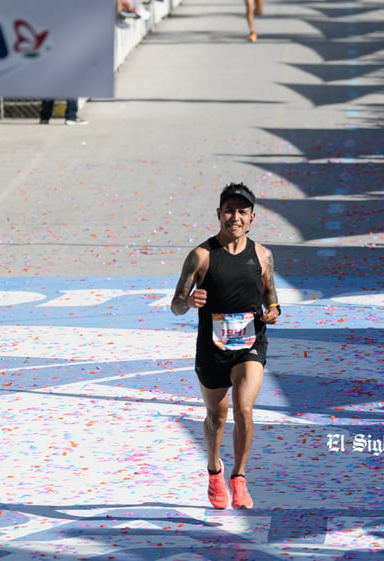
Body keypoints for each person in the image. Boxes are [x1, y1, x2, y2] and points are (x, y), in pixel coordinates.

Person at [171, 182, 280, 509]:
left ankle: (239, 477)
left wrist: (274, 311)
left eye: (242, 212)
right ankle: (214, 470)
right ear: (219, 214)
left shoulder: (262, 255)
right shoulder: (201, 256)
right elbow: (175, 304)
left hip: (250, 342)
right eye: (229, 210)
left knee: (244, 408)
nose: (235, 217)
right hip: (212, 347)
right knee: (216, 418)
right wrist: (188, 301)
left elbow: (270, 293)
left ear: (252, 218)